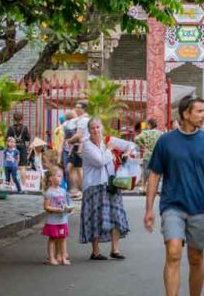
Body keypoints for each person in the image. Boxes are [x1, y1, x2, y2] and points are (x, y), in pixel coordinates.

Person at [144, 96, 204, 296]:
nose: (203, 115)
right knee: (173, 252)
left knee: (196, 257)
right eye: (199, 111)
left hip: (200, 207)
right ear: (185, 114)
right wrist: (149, 209)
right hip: (172, 206)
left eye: (203, 111)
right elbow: (154, 175)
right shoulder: (166, 141)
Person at [80, 118, 131, 261]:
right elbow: (99, 161)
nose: (96, 130)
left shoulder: (108, 140)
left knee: (116, 215)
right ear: (89, 130)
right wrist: (109, 150)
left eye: (97, 127)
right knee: (96, 217)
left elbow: (130, 145)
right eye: (92, 128)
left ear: (101, 128)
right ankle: (95, 251)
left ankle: (115, 249)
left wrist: (126, 153)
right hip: (94, 186)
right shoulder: (87, 146)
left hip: (112, 183)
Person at [42, 168, 71, 266]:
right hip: (52, 221)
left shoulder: (63, 191)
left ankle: (63, 257)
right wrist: (56, 210)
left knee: (62, 238)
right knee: (53, 239)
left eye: (61, 176)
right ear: (51, 178)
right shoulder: (49, 192)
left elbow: (64, 204)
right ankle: (51, 258)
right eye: (58, 176)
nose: (60, 178)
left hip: (62, 220)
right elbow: (46, 207)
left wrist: (68, 208)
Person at [65, 101, 90, 200]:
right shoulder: (80, 120)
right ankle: (75, 190)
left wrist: (69, 141)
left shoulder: (83, 120)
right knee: (70, 168)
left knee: (79, 170)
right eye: (76, 107)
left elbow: (79, 135)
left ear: (84, 109)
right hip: (76, 147)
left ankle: (84, 192)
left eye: (79, 107)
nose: (76, 109)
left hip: (80, 146)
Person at [134, 118, 163, 194]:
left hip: (147, 155)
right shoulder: (160, 133)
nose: (147, 126)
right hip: (157, 156)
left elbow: (136, 139)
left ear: (150, 125)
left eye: (147, 125)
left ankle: (144, 188)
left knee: (146, 172)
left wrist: (142, 145)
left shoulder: (146, 133)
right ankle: (154, 189)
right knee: (156, 174)